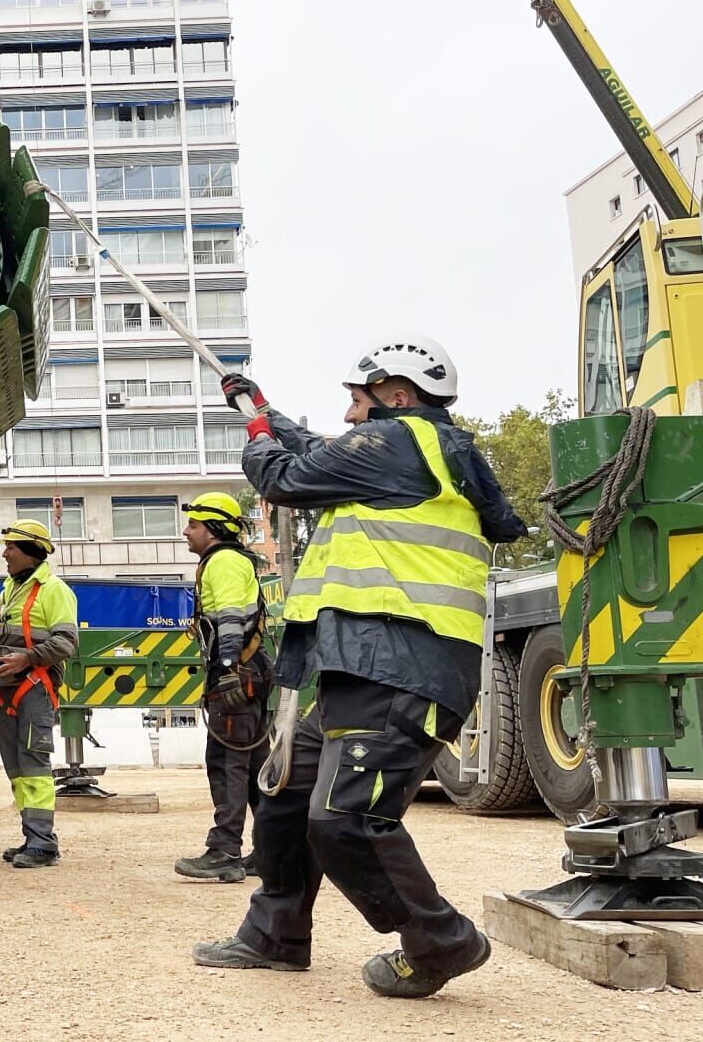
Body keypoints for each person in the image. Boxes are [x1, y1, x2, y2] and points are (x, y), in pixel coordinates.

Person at [192, 335, 526, 998]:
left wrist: (257, 428)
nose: (349, 416)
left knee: (346, 819)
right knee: (285, 794)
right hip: (367, 664)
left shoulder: (402, 442)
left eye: (357, 402)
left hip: (405, 663)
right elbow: (316, 450)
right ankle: (275, 934)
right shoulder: (405, 450)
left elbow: (282, 475)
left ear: (397, 397)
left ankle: (441, 940)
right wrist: (256, 404)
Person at [0, 519, 78, 869]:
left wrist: (26, 659)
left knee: (34, 764)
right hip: (7, 692)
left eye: (11, 548)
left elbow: (66, 641)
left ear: (31, 551)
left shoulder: (53, 590)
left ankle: (43, 843)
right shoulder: (9, 591)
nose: (5, 553)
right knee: (16, 768)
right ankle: (33, 835)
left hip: (34, 689)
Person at [173, 492, 271, 885]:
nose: (186, 531)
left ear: (213, 529)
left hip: (238, 676)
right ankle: (270, 852)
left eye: (193, 525)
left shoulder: (224, 562)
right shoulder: (228, 561)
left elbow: (231, 619)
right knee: (252, 769)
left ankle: (225, 851)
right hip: (251, 674)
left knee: (228, 764)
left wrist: (228, 668)